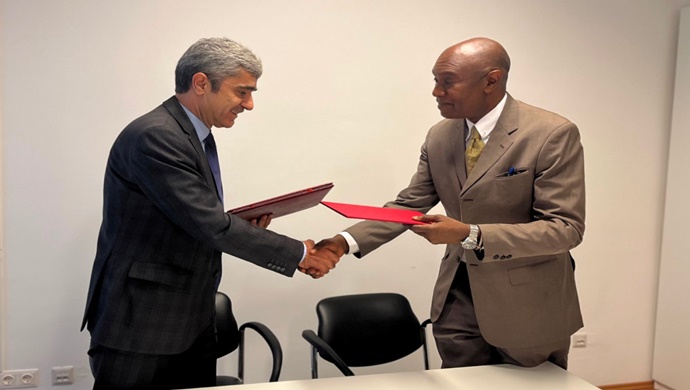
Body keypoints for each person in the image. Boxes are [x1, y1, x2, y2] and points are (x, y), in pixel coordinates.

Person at [81, 37, 339, 389]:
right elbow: (210, 225)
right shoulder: (157, 135)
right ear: (201, 83)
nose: (249, 104)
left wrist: (237, 224)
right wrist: (299, 254)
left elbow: (190, 217)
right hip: (142, 323)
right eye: (242, 92)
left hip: (190, 319)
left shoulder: (193, 134)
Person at [315, 37, 585, 369]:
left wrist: (470, 234)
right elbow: (409, 204)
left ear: (491, 80)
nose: (436, 92)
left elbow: (564, 230)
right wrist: (342, 244)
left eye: (448, 82)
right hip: (457, 302)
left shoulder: (551, 133)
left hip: (529, 308)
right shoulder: (439, 136)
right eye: (435, 80)